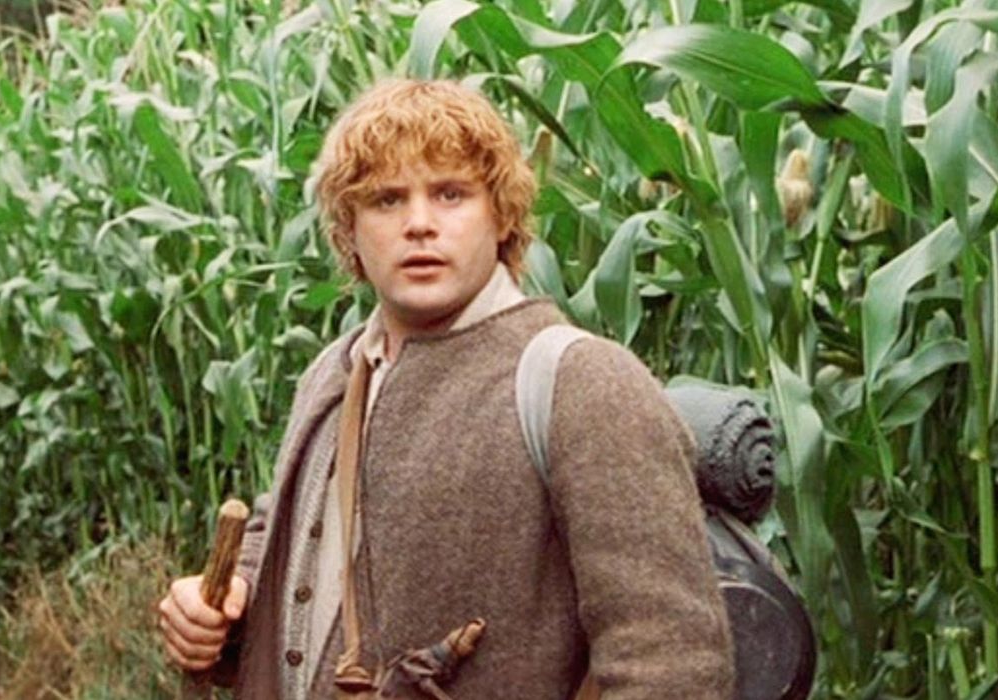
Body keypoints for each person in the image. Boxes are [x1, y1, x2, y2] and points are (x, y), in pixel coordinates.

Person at [157, 78, 734, 699]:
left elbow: (672, 662)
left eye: (451, 194)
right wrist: (222, 607)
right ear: (348, 229)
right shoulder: (338, 368)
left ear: (501, 214)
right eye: (386, 200)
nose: (420, 224)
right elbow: (298, 527)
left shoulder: (582, 384)